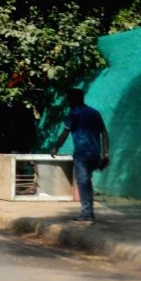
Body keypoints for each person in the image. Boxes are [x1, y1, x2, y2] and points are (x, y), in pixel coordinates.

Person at [51, 88, 110, 222]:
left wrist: (56, 147)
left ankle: (87, 214)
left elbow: (65, 134)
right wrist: (105, 153)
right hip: (95, 153)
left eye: (69, 99)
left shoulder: (73, 114)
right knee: (87, 181)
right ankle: (89, 212)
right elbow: (105, 134)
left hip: (82, 154)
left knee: (83, 182)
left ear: (74, 100)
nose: (67, 102)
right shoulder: (95, 113)